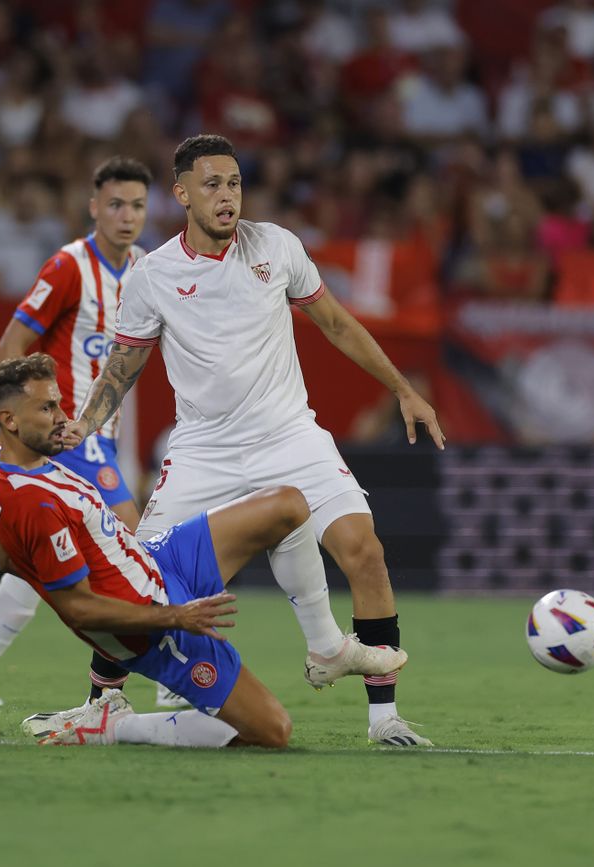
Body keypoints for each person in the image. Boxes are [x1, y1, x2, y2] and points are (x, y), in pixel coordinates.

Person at [67, 134, 435, 746]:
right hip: (203, 451)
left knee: (363, 549)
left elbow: (337, 323)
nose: (227, 195)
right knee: (141, 577)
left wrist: (402, 389)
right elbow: (123, 366)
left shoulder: (277, 247)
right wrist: (84, 423)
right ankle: (99, 702)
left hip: (290, 435)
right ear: (181, 193)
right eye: (211, 184)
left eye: (235, 183)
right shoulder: (153, 276)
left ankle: (384, 720)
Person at [0, 354, 311, 749]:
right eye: (47, 407)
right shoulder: (36, 505)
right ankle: (113, 725)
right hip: (154, 626)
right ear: (10, 419)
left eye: (58, 403)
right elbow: (79, 610)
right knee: (273, 732)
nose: (61, 416)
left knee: (287, 503)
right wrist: (174, 616)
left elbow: (6, 558)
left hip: (156, 559)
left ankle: (327, 649)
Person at [0, 155, 153, 707]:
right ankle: (133, 686)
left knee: (45, 561)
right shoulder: (68, 266)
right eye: (115, 204)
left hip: (103, 435)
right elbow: (12, 344)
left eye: (136, 205)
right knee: (131, 545)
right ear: (93, 208)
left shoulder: (147, 269)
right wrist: (2, 427)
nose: (126, 216)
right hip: (59, 435)